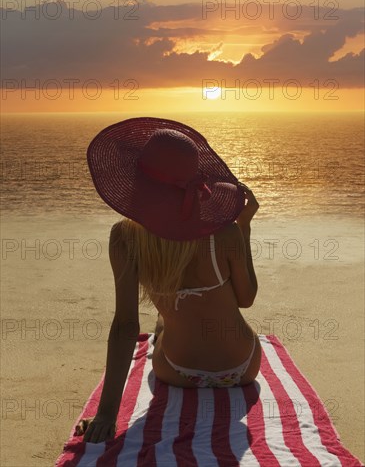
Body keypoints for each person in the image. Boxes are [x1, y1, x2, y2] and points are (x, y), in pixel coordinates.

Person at [75, 117, 261, 443]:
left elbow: (125, 327)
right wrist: (243, 227)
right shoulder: (225, 232)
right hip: (241, 368)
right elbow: (246, 298)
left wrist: (107, 415)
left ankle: (167, 328)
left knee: (164, 322)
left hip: (177, 372)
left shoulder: (126, 238)